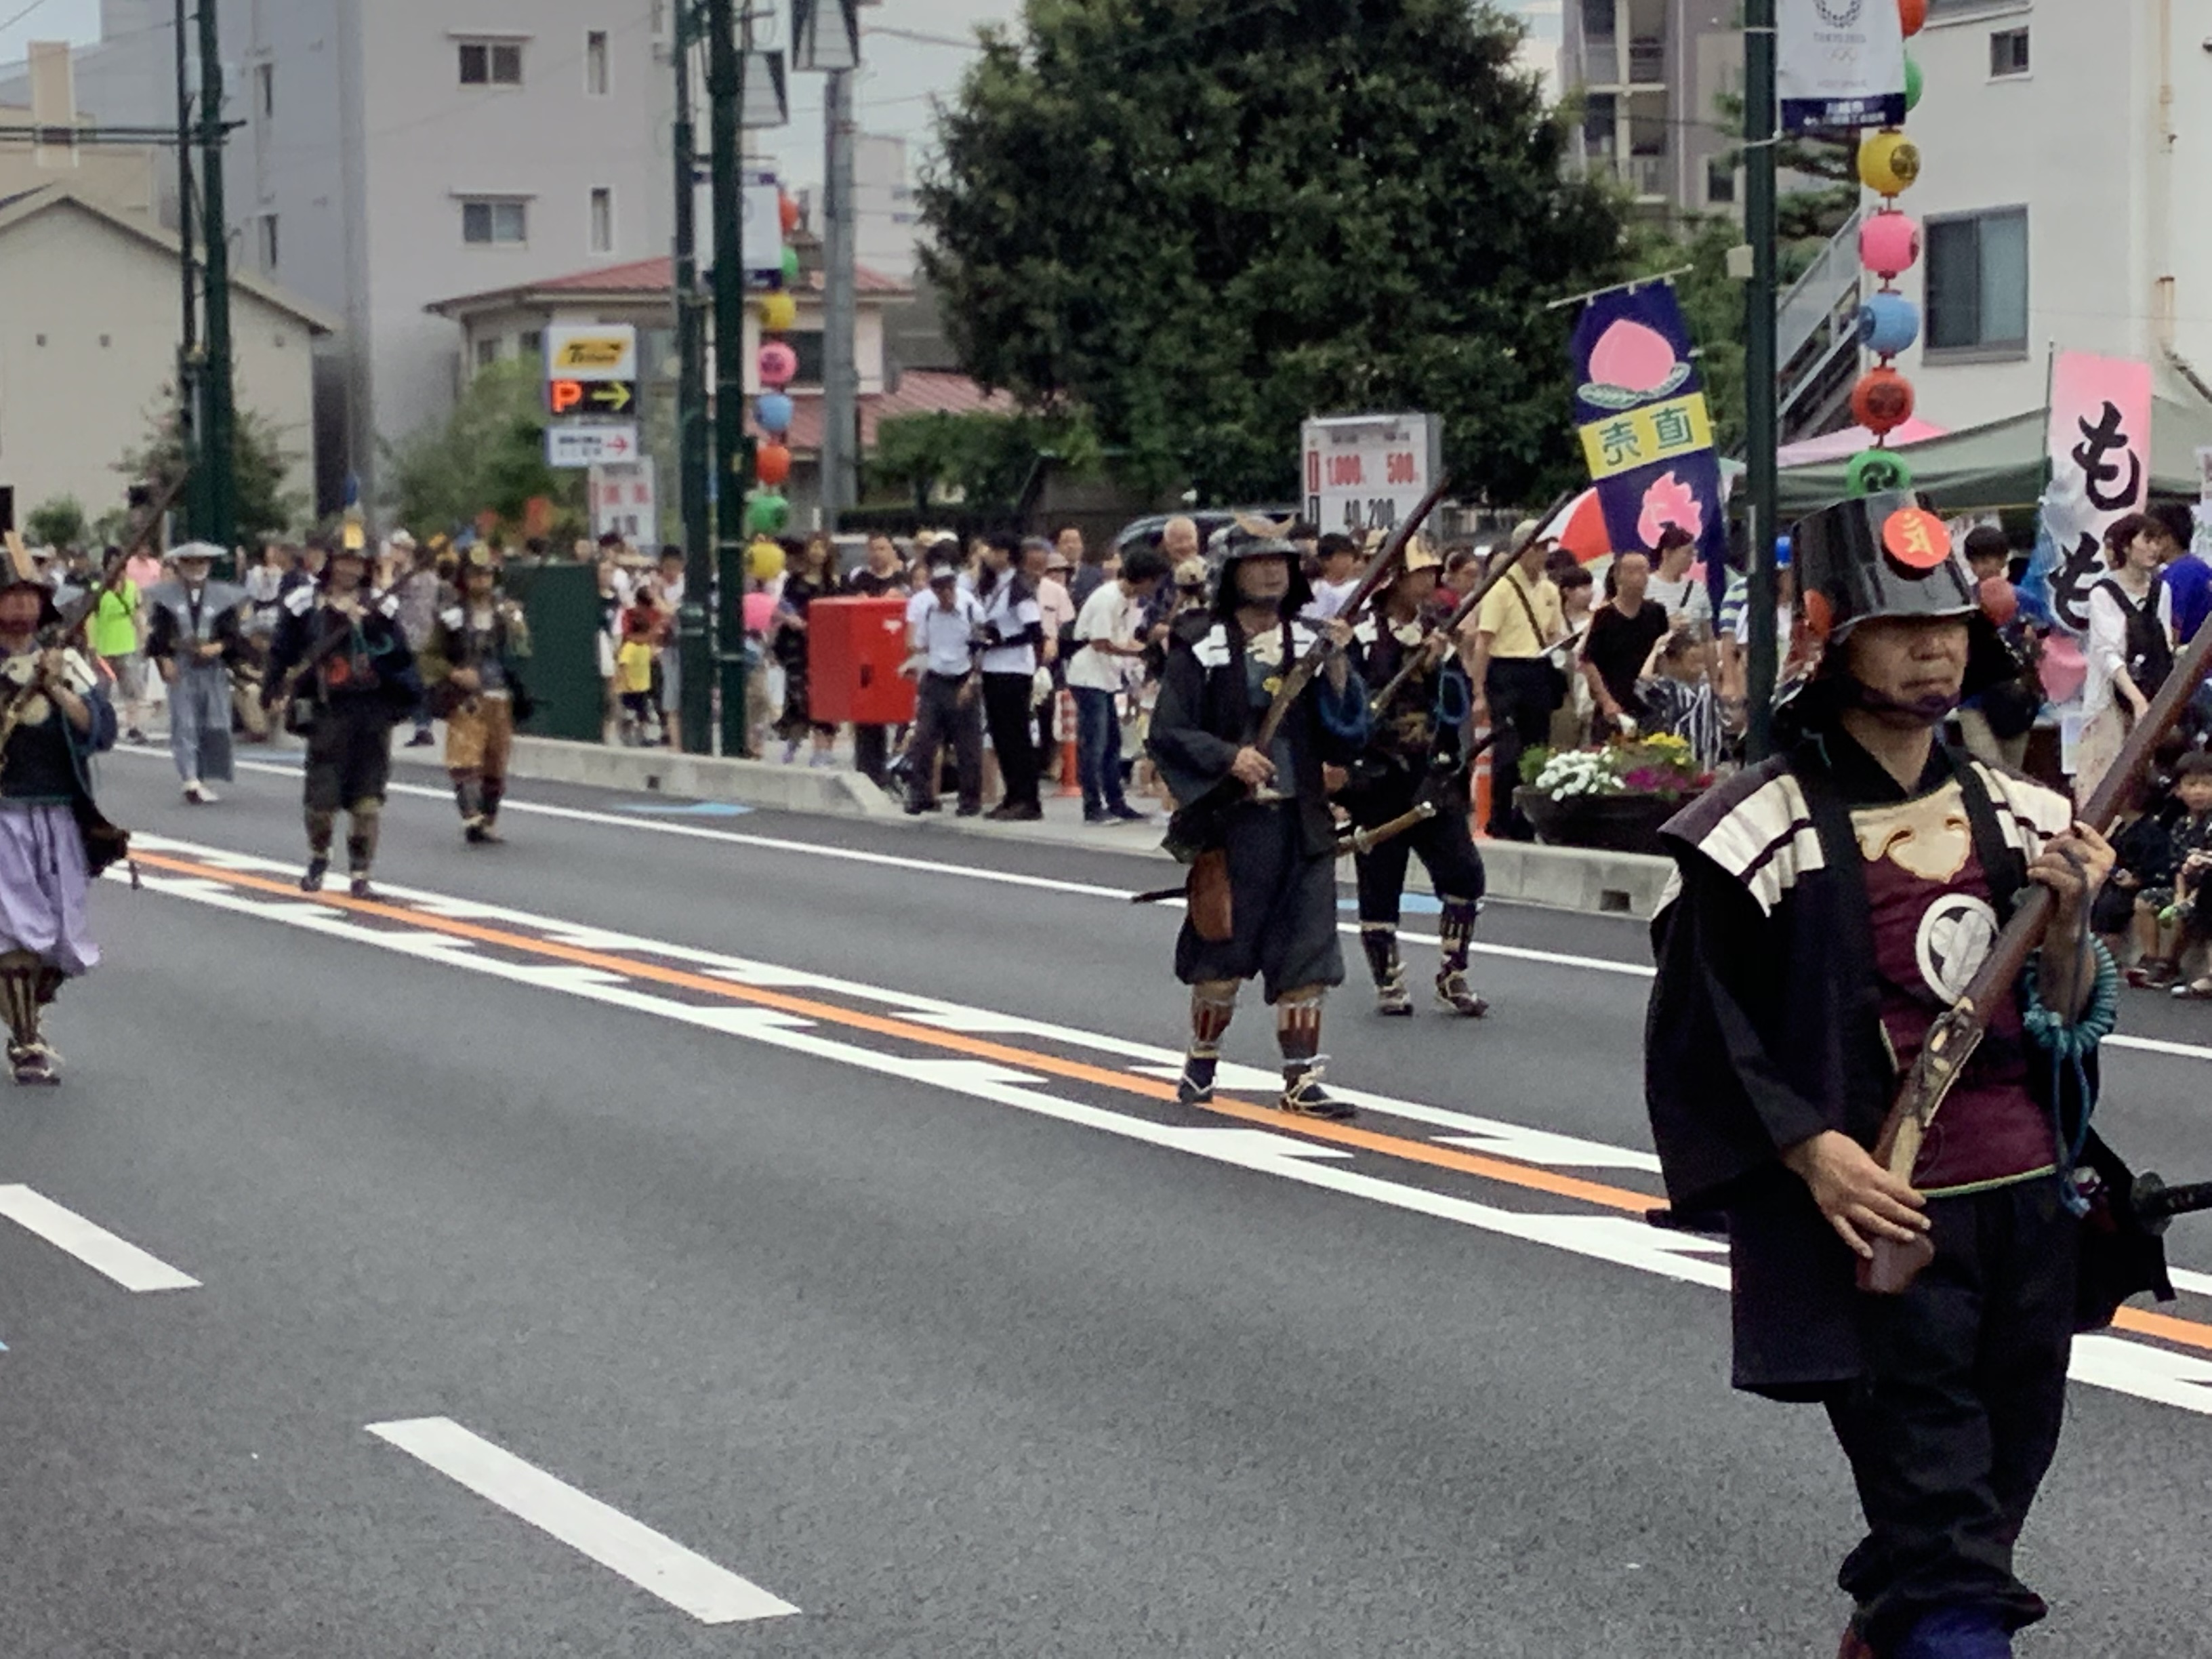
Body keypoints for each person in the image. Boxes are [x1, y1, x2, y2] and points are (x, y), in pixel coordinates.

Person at [1645, 491, 2163, 1659]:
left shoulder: (2025, 812)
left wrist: (2072, 926)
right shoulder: (1752, 828)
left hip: (2031, 1207)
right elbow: (1696, 1030)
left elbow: (2069, 1024)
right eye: (1896, 626)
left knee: (1984, 1505)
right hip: (1885, 1225)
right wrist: (1808, 1146)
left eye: (1949, 629)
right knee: (1942, 1532)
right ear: (1833, 642)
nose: (1933, 648)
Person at [1148, 526, 1370, 1120]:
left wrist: (1343, 671)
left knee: (1308, 951)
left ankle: (1301, 1080)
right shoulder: (1199, 643)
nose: (1272, 573)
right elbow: (1168, 729)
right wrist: (1229, 757)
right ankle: (1201, 1063)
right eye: (1256, 563)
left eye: (1280, 562)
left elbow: (1348, 728)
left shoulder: (1315, 639)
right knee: (1222, 947)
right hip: (1233, 822)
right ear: (1231, 572)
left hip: (1302, 819)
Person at [1344, 541, 1489, 1017]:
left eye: (1432, 573)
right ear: (1393, 579)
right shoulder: (1359, 636)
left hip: (1432, 773)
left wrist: (1441, 665)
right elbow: (1348, 699)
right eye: (1418, 573)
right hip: (1378, 775)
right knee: (1381, 879)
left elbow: (1456, 701)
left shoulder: (1435, 631)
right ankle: (1388, 981)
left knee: (1465, 873)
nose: (1428, 582)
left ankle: (1454, 971)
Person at [0, 554, 121, 1084]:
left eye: (31, 595)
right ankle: (26, 1044)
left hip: (58, 812)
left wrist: (54, 687)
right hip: (3, 814)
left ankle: (30, 1015)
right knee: (15, 930)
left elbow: (100, 728)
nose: (23, 604)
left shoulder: (64, 662)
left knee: (58, 934)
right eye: (12, 595)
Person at [265, 535, 417, 897]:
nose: (350, 567)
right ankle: (318, 857)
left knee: (368, 801)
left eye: (358, 561)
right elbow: (282, 648)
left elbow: (399, 656)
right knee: (321, 801)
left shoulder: (381, 607)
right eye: (344, 559)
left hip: (371, 712)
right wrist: (272, 688)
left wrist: (372, 626)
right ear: (331, 561)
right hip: (326, 712)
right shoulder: (306, 604)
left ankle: (361, 874)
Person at [419, 546, 531, 844]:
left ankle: (490, 821)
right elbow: (428, 656)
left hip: (500, 696)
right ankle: (472, 819)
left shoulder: (505, 611)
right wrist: (455, 674)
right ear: (465, 577)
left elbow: (524, 649)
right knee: (464, 759)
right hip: (467, 700)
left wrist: (516, 624)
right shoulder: (453, 614)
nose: (482, 580)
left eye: (486, 574)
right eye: (475, 574)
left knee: (496, 761)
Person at [1461, 530, 1565, 840]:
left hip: (1538, 667)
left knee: (1537, 748)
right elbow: (1484, 641)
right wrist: (1479, 691)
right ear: (1521, 550)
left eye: (1546, 547)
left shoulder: (1549, 589)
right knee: (1507, 749)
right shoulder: (1501, 589)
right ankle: (1500, 818)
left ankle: (1527, 818)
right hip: (1506, 670)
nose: (1543, 554)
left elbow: (1552, 633)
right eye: (1536, 547)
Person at [2077, 511, 2175, 807]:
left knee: (2148, 784)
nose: (2154, 548)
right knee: (2103, 782)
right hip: (2110, 699)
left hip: (2153, 692)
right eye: (2146, 540)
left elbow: (2165, 645)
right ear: (2125, 546)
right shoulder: (2103, 594)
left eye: (2157, 541)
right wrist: (2136, 699)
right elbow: (2106, 653)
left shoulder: (2163, 590)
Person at [1069, 545, 1169, 823]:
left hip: (1106, 677)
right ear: (1144, 577)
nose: (1155, 586)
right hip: (1088, 676)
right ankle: (1092, 806)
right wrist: (1137, 652)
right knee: (1095, 744)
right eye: (1154, 580)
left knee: (1113, 744)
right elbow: (1101, 642)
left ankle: (1116, 802)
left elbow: (1125, 639)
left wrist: (1146, 651)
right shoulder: (1108, 598)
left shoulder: (1128, 600)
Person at [142, 542, 246, 805]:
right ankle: (189, 778)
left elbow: (233, 635)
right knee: (184, 721)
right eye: (189, 562)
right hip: (182, 666)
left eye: (201, 562)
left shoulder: (223, 597)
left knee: (215, 723)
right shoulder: (167, 597)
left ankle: (202, 775)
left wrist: (218, 647)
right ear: (180, 565)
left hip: (213, 669)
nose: (196, 568)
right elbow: (159, 636)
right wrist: (163, 659)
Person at [903, 557, 987, 816]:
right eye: (939, 588)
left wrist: (972, 681)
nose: (945, 593)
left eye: (948, 587)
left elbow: (982, 649)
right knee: (924, 739)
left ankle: (970, 800)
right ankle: (921, 795)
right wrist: (915, 665)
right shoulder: (930, 611)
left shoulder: (972, 609)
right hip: (936, 677)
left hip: (963, 677)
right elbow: (925, 644)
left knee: (967, 744)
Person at [1954, 527, 2039, 771]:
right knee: (1986, 769)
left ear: (2004, 559)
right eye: (1978, 560)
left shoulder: (2024, 598)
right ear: (1970, 564)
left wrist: (2033, 642)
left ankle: (2011, 811)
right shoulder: (1963, 602)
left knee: (2013, 774)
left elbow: (2048, 634)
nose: (1985, 566)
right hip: (1972, 698)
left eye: (1991, 558)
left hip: (2015, 695)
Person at [973, 531, 1045, 821]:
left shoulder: (1019, 585)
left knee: (1017, 735)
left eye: (993, 550)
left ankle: (1028, 798)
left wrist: (1000, 640)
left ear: (1006, 554)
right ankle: (1012, 794)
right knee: (1001, 735)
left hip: (1014, 668)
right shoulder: (992, 584)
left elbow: (1033, 631)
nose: (988, 556)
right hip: (993, 666)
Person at [842, 532, 907, 790]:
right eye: (873, 549)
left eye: (883, 548)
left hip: (895, 655)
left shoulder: (903, 581)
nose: (878, 554)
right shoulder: (858, 580)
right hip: (865, 656)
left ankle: (895, 765)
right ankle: (868, 768)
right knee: (867, 715)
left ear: (892, 551)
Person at [1582, 550, 1671, 737]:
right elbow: (1588, 660)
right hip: (1615, 702)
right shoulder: (1604, 616)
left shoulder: (1657, 613)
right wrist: (1606, 701)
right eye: (1632, 571)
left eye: (1644, 571)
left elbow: (1664, 655)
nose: (1639, 577)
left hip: (1649, 703)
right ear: (1618, 576)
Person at [773, 534, 840, 766]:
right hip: (796, 645)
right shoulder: (794, 580)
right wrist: (790, 619)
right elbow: (780, 607)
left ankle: (822, 750)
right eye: (814, 547)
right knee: (799, 694)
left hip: (824, 648)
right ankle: (794, 739)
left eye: (822, 548)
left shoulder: (833, 584)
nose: (818, 552)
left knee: (825, 696)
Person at [386, 532, 442, 748]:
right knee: (413, 680)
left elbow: (388, 591)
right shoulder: (431, 577)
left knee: (410, 680)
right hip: (421, 635)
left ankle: (421, 725)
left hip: (409, 636)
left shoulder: (410, 577)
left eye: (396, 549)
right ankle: (420, 724)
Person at [1033, 537, 1078, 775]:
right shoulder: (1028, 589)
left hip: (1055, 659)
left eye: (1063, 571)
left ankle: (1054, 760)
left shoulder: (1059, 593)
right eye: (1053, 571)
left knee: (1055, 709)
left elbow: (1069, 626)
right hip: (1029, 655)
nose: (1058, 575)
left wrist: (1056, 642)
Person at [653, 546, 689, 753]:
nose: (670, 572)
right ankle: (676, 744)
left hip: (685, 645)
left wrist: (657, 595)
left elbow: (670, 611)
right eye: (666, 567)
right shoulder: (654, 585)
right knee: (671, 694)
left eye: (674, 567)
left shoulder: (685, 586)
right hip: (668, 647)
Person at [1645, 525, 1713, 632]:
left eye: (1693, 554)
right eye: (1687, 553)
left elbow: (1707, 634)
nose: (1691, 559)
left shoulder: (1697, 588)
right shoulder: (1646, 587)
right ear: (1666, 553)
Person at [1303, 533, 1364, 621]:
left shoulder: (1359, 587)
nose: (1349, 561)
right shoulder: (1313, 588)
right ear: (1325, 561)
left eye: (1350, 556)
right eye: (1342, 556)